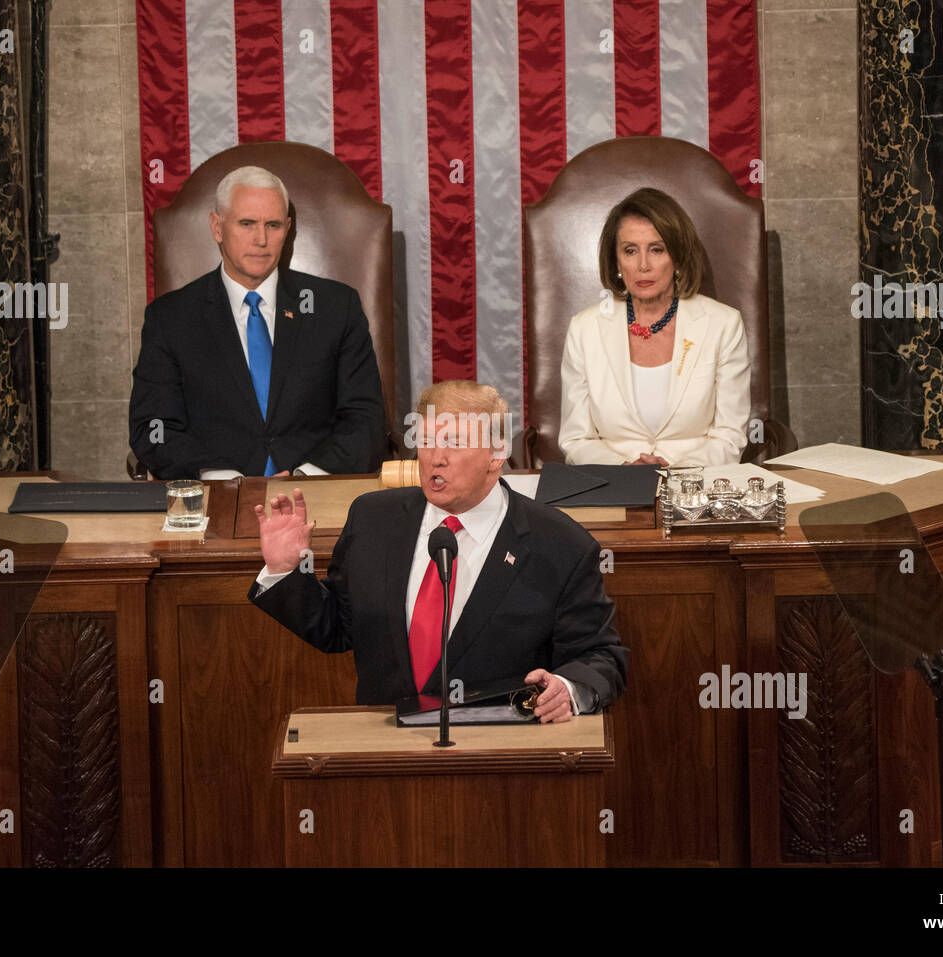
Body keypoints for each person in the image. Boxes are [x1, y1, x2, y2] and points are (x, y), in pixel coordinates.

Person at [248, 380, 628, 722]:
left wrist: (569, 688)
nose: (435, 457)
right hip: (384, 754)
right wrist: (284, 572)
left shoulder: (560, 544)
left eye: (455, 443)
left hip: (503, 758)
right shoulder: (373, 519)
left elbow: (601, 656)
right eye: (427, 440)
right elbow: (337, 630)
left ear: (497, 455)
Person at [129, 165, 387, 479]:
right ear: (217, 227)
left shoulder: (336, 308)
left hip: (314, 492)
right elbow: (154, 428)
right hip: (216, 499)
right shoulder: (170, 318)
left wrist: (308, 476)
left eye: (273, 225)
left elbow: (365, 421)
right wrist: (221, 478)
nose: (261, 239)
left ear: (288, 229)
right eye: (247, 223)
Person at [559, 187, 751, 467]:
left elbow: (729, 437)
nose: (643, 265)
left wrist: (674, 472)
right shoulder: (584, 329)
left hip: (695, 488)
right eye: (630, 251)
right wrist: (624, 471)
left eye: (657, 250)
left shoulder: (723, 324)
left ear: (677, 257)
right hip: (614, 486)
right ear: (616, 261)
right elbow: (576, 439)